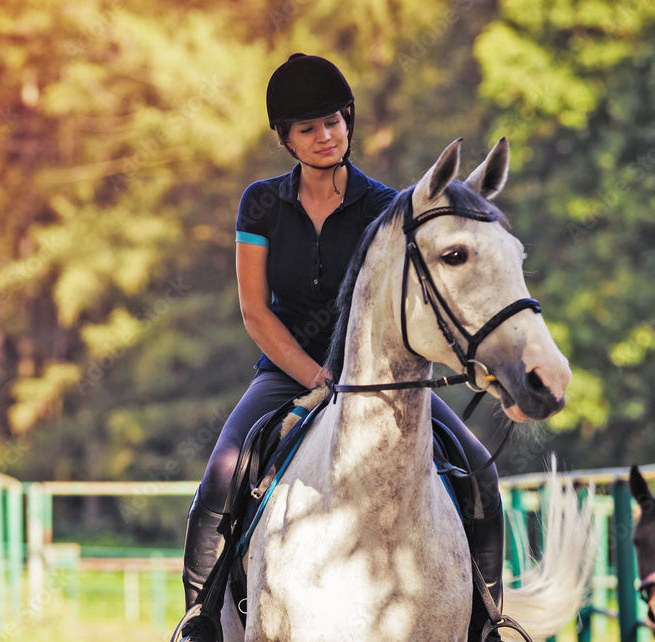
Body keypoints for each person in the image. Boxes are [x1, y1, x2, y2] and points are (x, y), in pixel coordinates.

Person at [179, 53, 505, 642]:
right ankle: (199, 621)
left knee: (480, 468)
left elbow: (406, 303)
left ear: (348, 120)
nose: (325, 136)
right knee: (222, 476)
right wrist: (315, 376)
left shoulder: (385, 208)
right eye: (307, 128)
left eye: (332, 121)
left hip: (378, 378)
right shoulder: (261, 203)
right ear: (285, 138)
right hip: (286, 370)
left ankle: (488, 622)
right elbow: (255, 311)